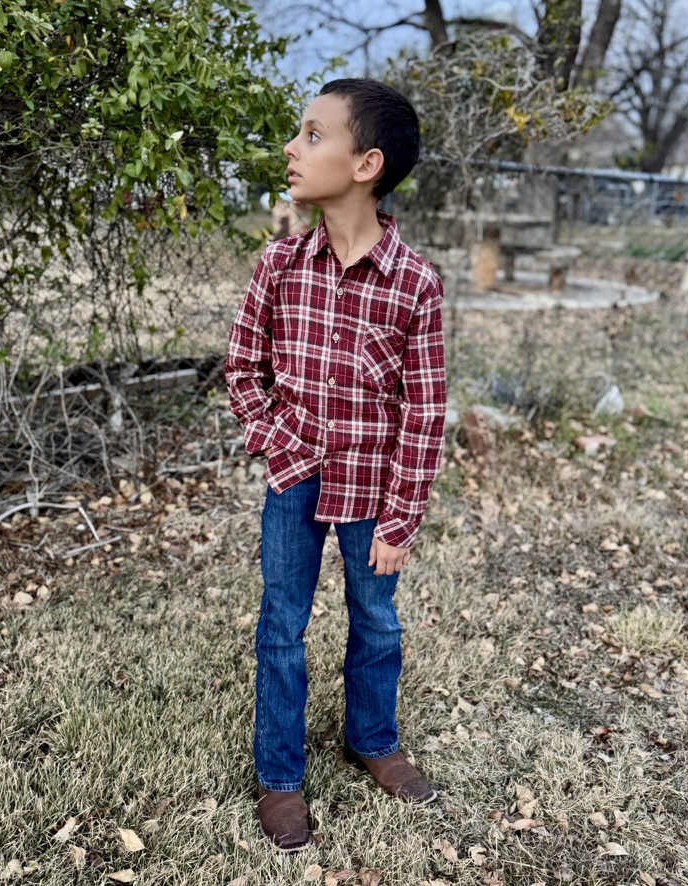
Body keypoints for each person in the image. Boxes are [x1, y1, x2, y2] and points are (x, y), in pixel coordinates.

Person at [225, 78, 446, 853]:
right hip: (294, 478)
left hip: (372, 488)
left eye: (313, 135)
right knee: (281, 624)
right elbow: (243, 367)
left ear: (366, 164)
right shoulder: (280, 263)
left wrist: (402, 518)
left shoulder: (415, 283)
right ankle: (280, 776)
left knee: (376, 622)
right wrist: (275, 440)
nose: (292, 148)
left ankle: (373, 739)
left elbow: (424, 411)